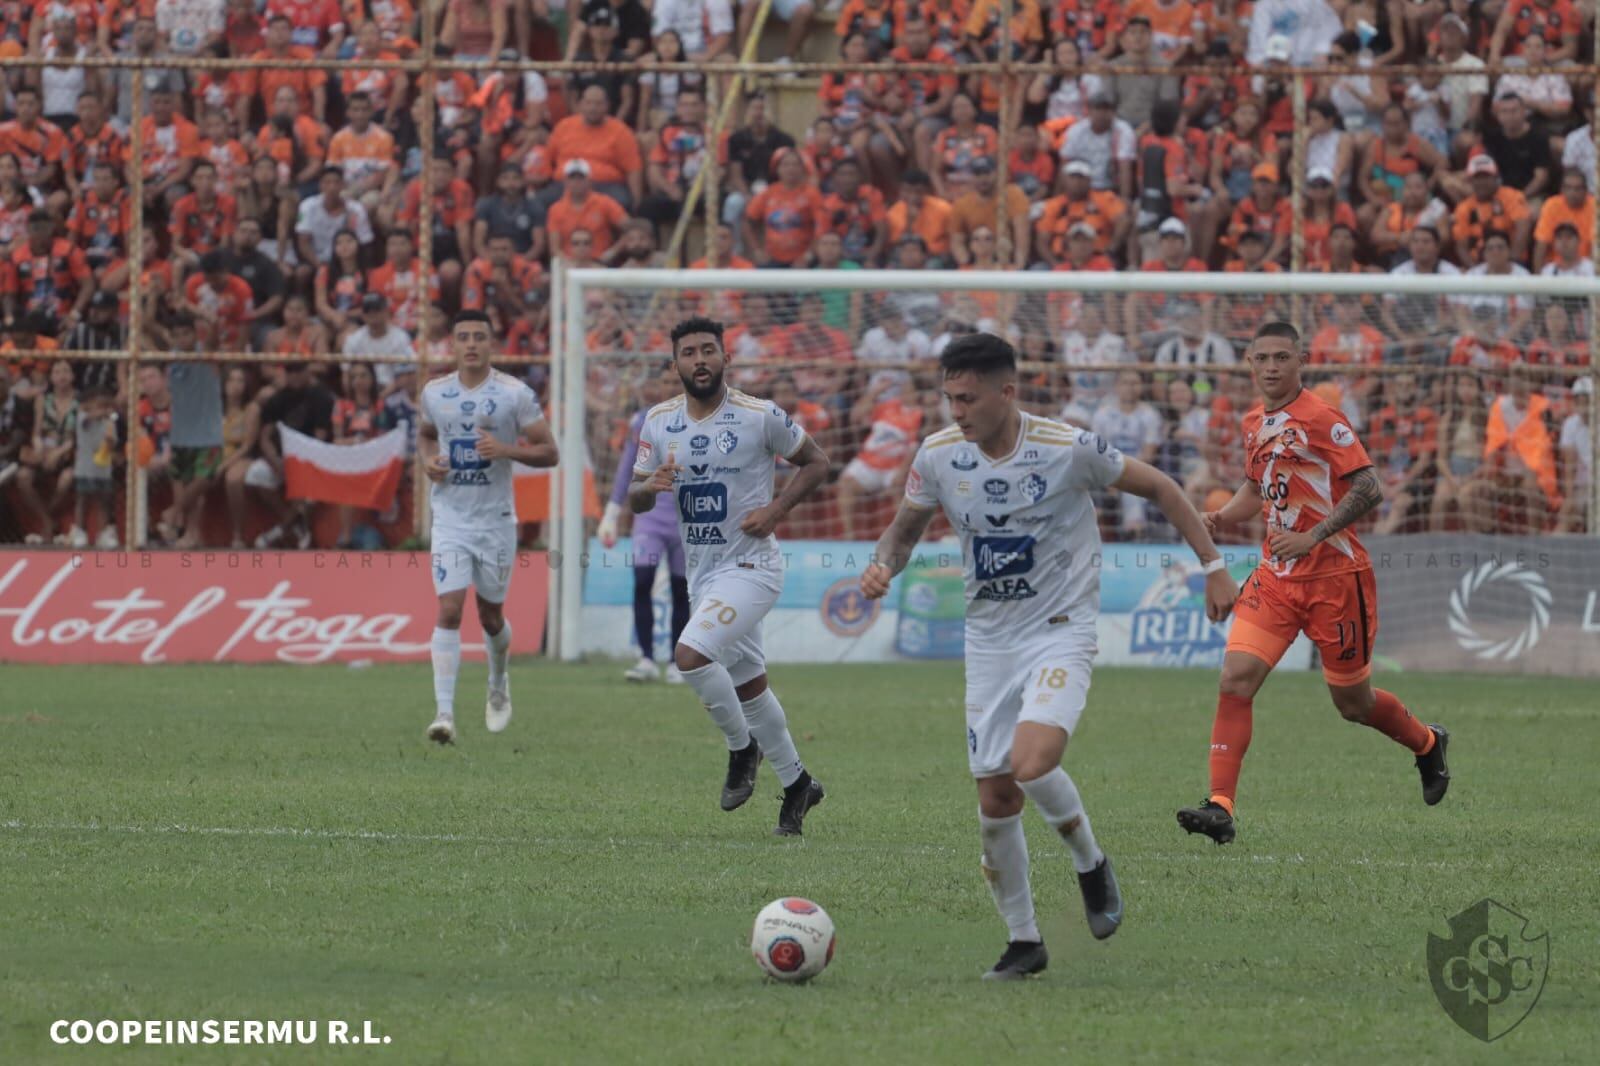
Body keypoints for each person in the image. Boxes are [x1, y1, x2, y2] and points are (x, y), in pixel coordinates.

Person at [860, 333, 1238, 978]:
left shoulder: (1068, 448)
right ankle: (1024, 941)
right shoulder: (940, 455)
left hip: (1060, 629)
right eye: (950, 398)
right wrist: (881, 567)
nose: (957, 412)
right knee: (996, 801)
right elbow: (905, 528)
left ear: (1008, 392)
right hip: (989, 643)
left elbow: (1165, 489)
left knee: (1032, 764)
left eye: (969, 398)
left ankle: (1091, 862)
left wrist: (1213, 566)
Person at [1177, 321, 1451, 847]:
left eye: (1282, 357)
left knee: (1354, 704)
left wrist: (1314, 536)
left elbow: (1370, 488)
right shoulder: (1255, 421)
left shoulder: (1323, 420)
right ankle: (1220, 805)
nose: (1272, 367)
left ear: (1300, 360)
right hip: (1276, 579)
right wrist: (1224, 518)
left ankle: (1427, 742)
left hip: (1336, 580)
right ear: (1250, 364)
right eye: (1263, 358)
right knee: (1235, 679)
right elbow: (1260, 487)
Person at [627, 316, 831, 835]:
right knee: (751, 687)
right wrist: (650, 484)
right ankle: (798, 785)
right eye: (689, 352)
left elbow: (816, 462)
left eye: (708, 350)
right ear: (674, 364)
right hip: (704, 574)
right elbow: (635, 496)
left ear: (726, 358)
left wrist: (776, 512)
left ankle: (743, 750)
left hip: (752, 567)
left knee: (691, 656)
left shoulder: (759, 416)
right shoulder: (658, 421)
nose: (700, 360)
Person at [417, 309, 560, 744]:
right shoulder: (434, 393)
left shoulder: (514, 395)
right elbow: (426, 434)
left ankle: (498, 680)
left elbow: (549, 452)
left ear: (491, 343)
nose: (472, 344)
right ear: (453, 345)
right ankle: (444, 715)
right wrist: (428, 462)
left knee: (491, 616)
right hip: (450, 520)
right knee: (449, 609)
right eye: (464, 337)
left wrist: (504, 449)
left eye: (480, 336)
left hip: (496, 522)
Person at [599, 361, 691, 684]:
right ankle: (646, 658)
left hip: (687, 520)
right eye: (665, 381)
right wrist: (611, 514)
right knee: (642, 579)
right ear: (657, 386)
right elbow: (627, 468)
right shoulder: (644, 420)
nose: (671, 387)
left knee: (683, 589)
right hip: (650, 518)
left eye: (676, 381)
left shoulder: (702, 420)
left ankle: (679, 663)